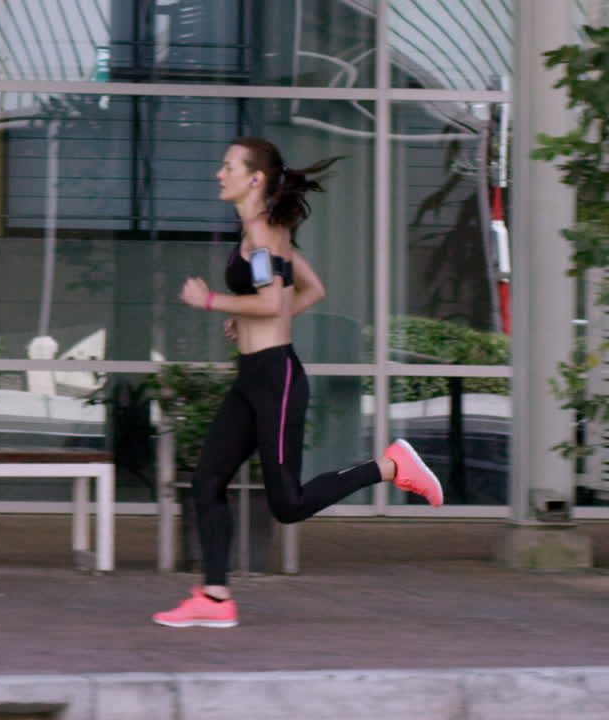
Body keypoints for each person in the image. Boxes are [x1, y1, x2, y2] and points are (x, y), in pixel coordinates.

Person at [151, 137, 443, 629]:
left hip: (275, 378)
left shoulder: (264, 234)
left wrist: (214, 302)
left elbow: (270, 303)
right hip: (253, 378)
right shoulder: (263, 232)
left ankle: (391, 466)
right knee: (207, 481)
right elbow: (307, 292)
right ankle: (216, 598)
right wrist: (244, 318)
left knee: (287, 505)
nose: (218, 174)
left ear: (254, 178)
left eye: (227, 167)